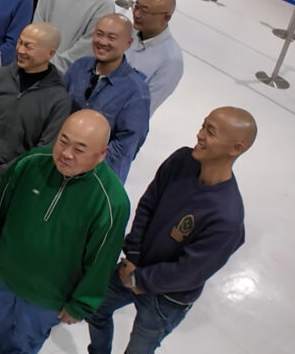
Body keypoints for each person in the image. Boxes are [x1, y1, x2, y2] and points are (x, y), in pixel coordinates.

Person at [0, 110, 130, 354]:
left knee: (24, 341)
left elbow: (101, 262)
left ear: (102, 154)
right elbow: (3, 200)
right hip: (4, 273)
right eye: (63, 141)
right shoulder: (33, 161)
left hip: (48, 296)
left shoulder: (111, 202)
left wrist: (81, 304)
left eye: (79, 149)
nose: (66, 154)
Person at [86, 107, 255, 354]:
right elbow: (148, 204)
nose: (199, 134)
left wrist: (139, 280)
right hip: (134, 267)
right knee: (94, 307)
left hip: (165, 299)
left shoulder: (227, 218)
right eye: (203, 125)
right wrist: (133, 255)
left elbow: (190, 272)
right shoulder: (182, 161)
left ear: (236, 148)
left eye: (210, 132)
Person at [0, 23, 72, 250]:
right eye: (20, 42)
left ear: (50, 53)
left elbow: (45, 147)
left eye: (29, 46)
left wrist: (1, 171)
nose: (20, 50)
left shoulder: (59, 98)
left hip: (22, 176)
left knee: (9, 224)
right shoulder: (0, 76)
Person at [61, 14, 151, 183]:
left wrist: (84, 166)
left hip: (96, 178)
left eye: (111, 38)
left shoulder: (136, 92)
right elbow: (58, 110)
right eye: (99, 34)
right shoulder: (79, 66)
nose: (102, 42)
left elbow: (125, 146)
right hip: (62, 162)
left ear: (128, 44)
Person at [126, 0, 184, 115]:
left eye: (145, 11)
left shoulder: (171, 60)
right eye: (137, 7)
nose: (137, 14)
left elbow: (145, 107)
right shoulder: (126, 32)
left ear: (166, 18)